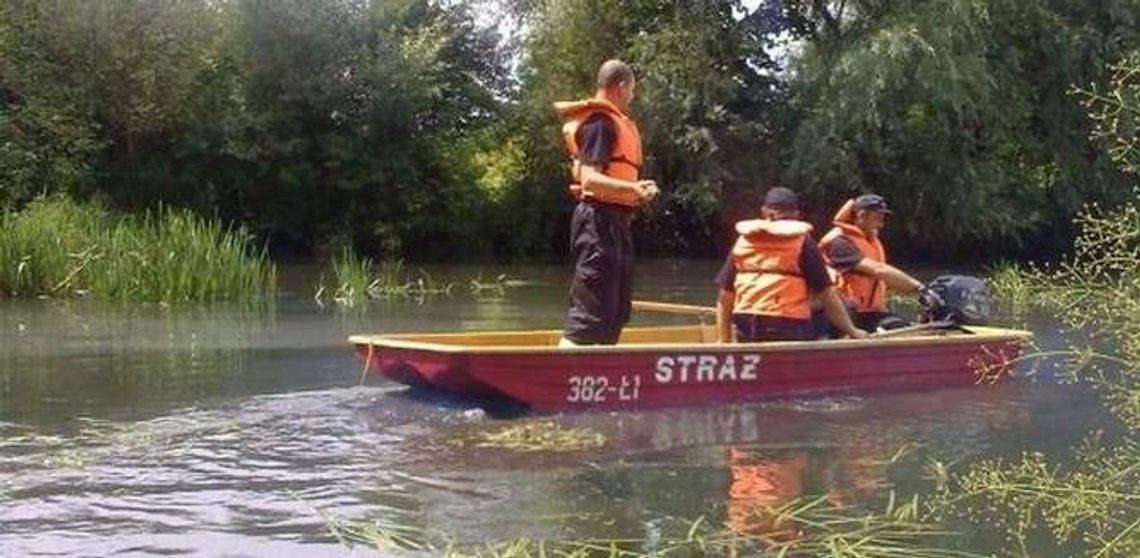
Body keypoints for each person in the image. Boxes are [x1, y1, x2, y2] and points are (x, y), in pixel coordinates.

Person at [554, 60, 660, 347]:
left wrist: (634, 190)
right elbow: (590, 180)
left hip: (615, 222)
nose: (632, 97)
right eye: (632, 90)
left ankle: (602, 372)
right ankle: (566, 373)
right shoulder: (600, 124)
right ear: (622, 86)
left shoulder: (614, 123)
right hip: (597, 222)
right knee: (591, 311)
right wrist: (633, 188)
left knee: (615, 311)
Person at [715, 187, 868, 343]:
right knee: (846, 306)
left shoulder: (743, 241)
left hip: (744, 326)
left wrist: (723, 340)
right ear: (796, 214)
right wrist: (852, 331)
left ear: (764, 212)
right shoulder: (802, 242)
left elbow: (725, 296)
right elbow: (826, 295)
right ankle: (822, 352)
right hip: (785, 328)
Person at [819, 193, 942, 332]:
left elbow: (885, 279)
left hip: (871, 312)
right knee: (894, 329)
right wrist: (919, 288)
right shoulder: (840, 242)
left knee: (903, 327)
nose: (882, 221)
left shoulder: (870, 239)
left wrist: (920, 297)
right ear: (862, 215)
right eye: (877, 216)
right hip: (846, 313)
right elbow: (878, 270)